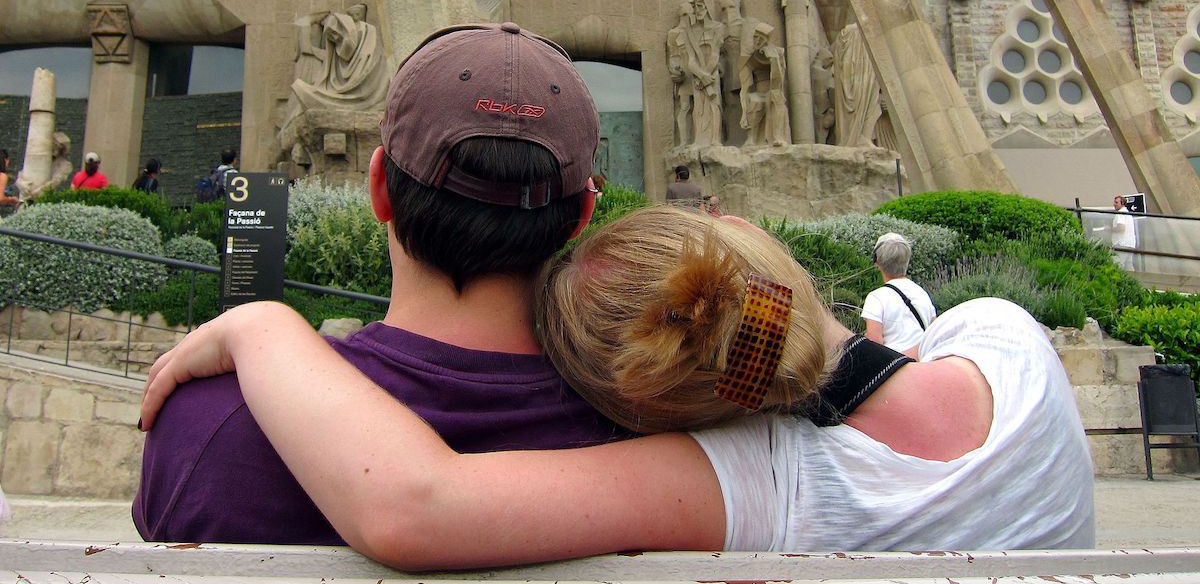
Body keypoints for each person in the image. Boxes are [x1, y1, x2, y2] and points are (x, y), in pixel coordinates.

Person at [141, 207, 1095, 567]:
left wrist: (265, 323)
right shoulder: (1006, 343)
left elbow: (409, 505)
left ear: (644, 406)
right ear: (743, 238)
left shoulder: (758, 483)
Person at [133, 23, 628, 544]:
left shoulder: (211, 423)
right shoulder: (655, 430)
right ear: (582, 216)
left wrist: (263, 326)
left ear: (379, 189)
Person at [861, 232, 937, 358]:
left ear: (877, 261)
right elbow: (934, 331)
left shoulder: (876, 298)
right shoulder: (921, 293)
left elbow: (874, 346)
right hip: (924, 363)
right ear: (907, 261)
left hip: (895, 367)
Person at [1110, 195, 1138, 272]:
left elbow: (1121, 228)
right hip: (1130, 244)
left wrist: (1109, 229)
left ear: (1122, 203)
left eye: (1116, 202)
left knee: (1116, 264)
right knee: (1129, 265)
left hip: (1121, 244)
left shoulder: (1120, 213)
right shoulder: (1128, 214)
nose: (1114, 204)